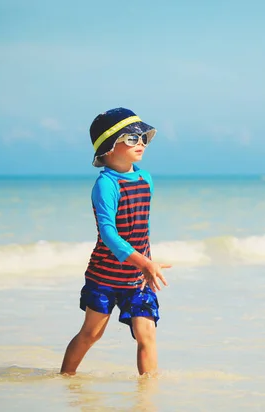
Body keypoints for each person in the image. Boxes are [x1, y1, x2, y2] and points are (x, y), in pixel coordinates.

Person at [60, 107, 170, 376]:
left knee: (147, 336)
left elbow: (140, 227)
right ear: (109, 147)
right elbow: (109, 235)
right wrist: (142, 260)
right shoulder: (106, 185)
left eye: (143, 137)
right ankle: (65, 378)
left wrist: (144, 262)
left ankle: (147, 395)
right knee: (91, 334)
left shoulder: (145, 179)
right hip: (105, 277)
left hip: (138, 277)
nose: (140, 143)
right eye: (131, 138)